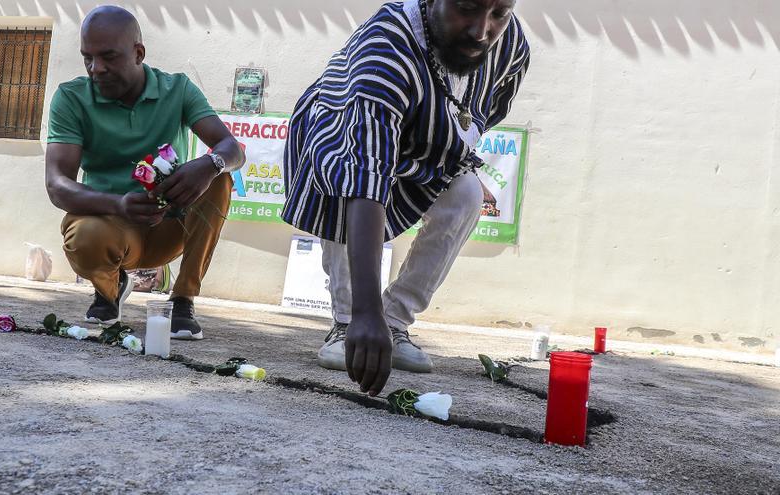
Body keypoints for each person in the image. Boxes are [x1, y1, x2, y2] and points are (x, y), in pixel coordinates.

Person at [282, 0, 529, 395]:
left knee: (465, 194)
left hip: (427, 139)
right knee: (343, 187)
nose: (481, 31)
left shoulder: (511, 43)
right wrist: (365, 312)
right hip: (341, 131)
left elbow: (487, 109)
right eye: (467, 8)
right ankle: (346, 323)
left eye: (499, 12)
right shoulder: (384, 51)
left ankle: (395, 322)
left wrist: (447, 143)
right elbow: (364, 176)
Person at [45, 6, 244, 340]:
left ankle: (183, 299)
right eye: (88, 58)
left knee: (219, 177)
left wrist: (209, 164)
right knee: (84, 236)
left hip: (170, 225)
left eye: (108, 57)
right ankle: (110, 288)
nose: (97, 69)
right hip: (111, 223)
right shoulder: (72, 98)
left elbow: (231, 148)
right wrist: (117, 205)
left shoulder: (178, 89)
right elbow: (57, 185)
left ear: (139, 53)